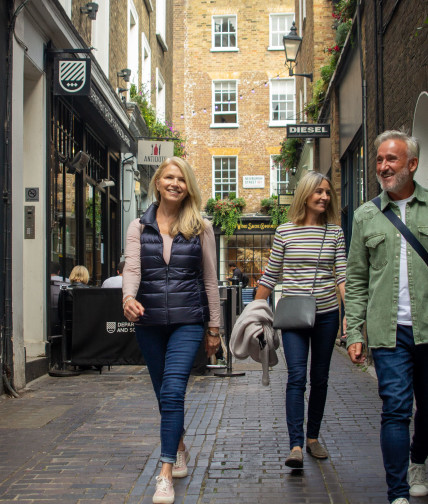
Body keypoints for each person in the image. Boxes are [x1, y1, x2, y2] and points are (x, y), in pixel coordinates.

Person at [122, 156, 221, 504]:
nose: (175, 183)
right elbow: (132, 268)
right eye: (169, 177)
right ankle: (178, 445)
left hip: (187, 321)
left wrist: (214, 327)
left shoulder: (201, 228)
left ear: (188, 186)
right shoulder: (138, 227)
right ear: (158, 183)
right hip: (148, 322)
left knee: (174, 389)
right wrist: (127, 297)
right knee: (162, 392)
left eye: (181, 178)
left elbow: (210, 279)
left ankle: (164, 472)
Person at [345, 131, 428, 504]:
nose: (383, 167)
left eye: (391, 160)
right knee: (395, 409)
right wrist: (355, 331)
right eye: (379, 160)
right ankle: (398, 494)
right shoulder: (365, 216)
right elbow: (357, 280)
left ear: (412, 164)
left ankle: (418, 459)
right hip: (388, 331)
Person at [255, 171, 346, 469]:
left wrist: (353, 316)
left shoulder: (334, 232)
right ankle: (295, 444)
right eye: (318, 191)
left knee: (319, 378)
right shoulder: (285, 231)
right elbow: (271, 274)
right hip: (293, 315)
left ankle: (312, 438)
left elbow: (342, 276)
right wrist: (254, 313)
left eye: (327, 192)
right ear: (305, 195)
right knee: (296, 377)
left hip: (327, 315)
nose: (324, 197)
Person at [58, 265, 90, 362]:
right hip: (85, 326)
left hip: (68, 325)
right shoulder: (89, 291)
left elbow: (60, 310)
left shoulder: (65, 290)